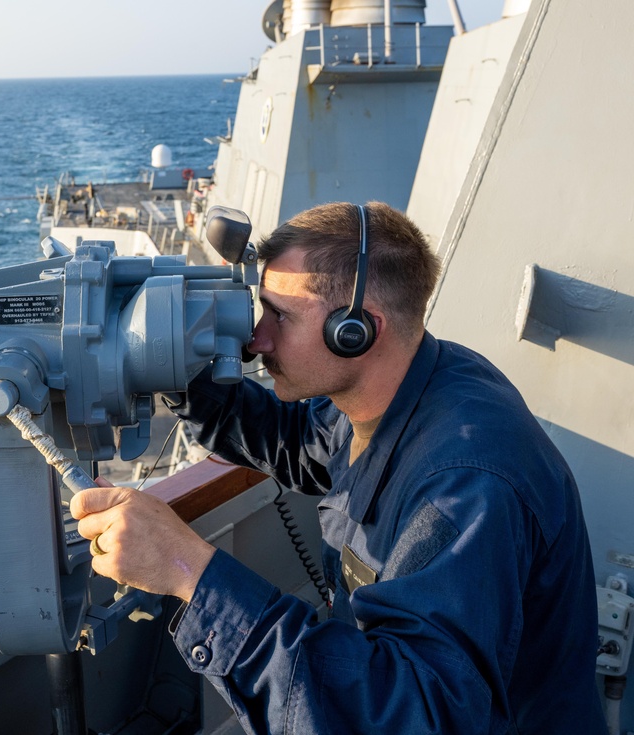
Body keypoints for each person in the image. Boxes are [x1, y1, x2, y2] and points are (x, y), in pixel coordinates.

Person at [71, 202, 607, 734]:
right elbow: (299, 442)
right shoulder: (403, 385)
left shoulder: (465, 488)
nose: (258, 340)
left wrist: (187, 567)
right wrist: (172, 366)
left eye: (279, 316)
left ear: (355, 331)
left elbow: (410, 718)